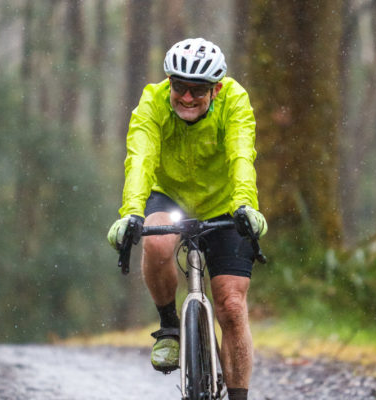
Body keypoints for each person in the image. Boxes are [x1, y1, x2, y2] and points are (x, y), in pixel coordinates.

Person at [107, 38, 267, 400]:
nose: (188, 97)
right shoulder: (152, 103)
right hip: (171, 195)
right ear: (169, 82)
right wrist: (132, 211)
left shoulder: (235, 102)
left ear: (217, 88)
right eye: (179, 87)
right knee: (156, 239)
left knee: (230, 305)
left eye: (199, 90)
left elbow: (242, 154)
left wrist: (246, 205)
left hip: (225, 203)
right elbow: (140, 159)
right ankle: (169, 328)